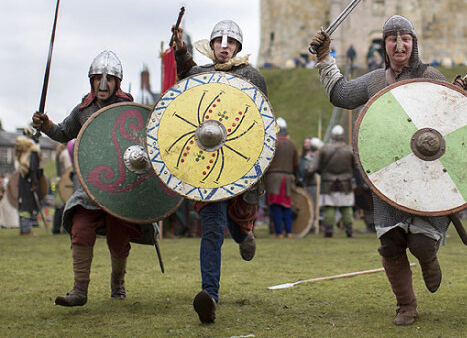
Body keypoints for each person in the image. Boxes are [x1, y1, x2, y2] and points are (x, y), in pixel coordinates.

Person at [310, 15, 455, 326]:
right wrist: (325, 58)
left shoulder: (431, 76)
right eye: (392, 38)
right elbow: (341, 94)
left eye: (405, 38)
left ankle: (429, 258)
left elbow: (459, 124)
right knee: (390, 242)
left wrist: (457, 98)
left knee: (421, 242)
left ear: (414, 44)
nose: (399, 44)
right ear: (385, 45)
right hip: (388, 174)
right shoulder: (375, 80)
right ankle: (406, 305)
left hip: (429, 175)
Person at [32, 50, 157, 307]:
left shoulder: (128, 109)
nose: (103, 84)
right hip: (90, 186)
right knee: (80, 229)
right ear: (90, 80)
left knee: (118, 238)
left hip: (123, 187)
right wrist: (46, 126)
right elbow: (63, 132)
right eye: (97, 78)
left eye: (108, 78)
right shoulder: (83, 111)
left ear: (117, 82)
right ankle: (79, 290)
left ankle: (118, 283)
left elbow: (147, 147)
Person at [172, 19, 266, 324]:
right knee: (212, 227)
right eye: (218, 41)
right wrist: (181, 52)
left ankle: (244, 235)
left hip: (239, 163)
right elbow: (184, 85)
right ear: (211, 45)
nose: (224, 46)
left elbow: (262, 123)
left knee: (236, 222)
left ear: (237, 46)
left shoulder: (252, 77)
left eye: (230, 42)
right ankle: (209, 295)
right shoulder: (200, 74)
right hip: (207, 166)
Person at [312, 125, 355, 238]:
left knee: (330, 206)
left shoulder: (324, 149)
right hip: (345, 183)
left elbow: (313, 167)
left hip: (328, 182)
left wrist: (318, 172)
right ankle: (349, 232)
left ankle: (329, 231)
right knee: (346, 207)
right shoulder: (349, 149)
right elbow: (356, 166)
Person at [265, 117, 299, 238]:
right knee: (286, 205)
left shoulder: (271, 143)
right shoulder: (292, 144)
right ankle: (288, 232)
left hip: (273, 178)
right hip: (287, 178)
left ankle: (279, 232)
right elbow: (296, 164)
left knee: (276, 206)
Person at [14, 129, 43, 236]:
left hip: (23, 178)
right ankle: (26, 230)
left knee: (23, 204)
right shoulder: (32, 149)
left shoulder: (20, 149)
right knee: (28, 205)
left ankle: (23, 228)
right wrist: (35, 181)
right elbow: (33, 167)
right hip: (30, 179)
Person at [52, 143, 72, 235]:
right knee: (64, 205)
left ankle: (57, 228)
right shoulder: (66, 153)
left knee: (60, 206)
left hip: (59, 181)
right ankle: (62, 228)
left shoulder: (61, 153)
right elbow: (69, 169)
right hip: (65, 182)